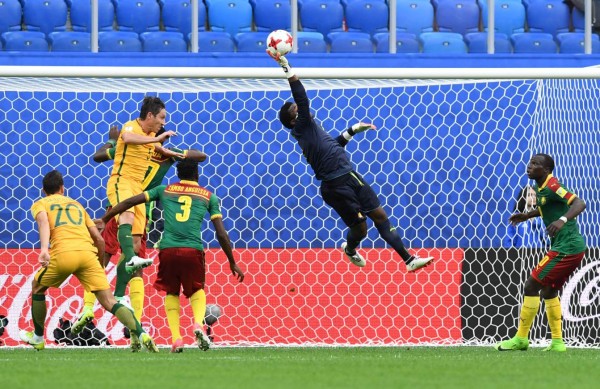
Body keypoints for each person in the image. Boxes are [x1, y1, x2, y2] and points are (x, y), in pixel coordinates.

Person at [267, 49, 433, 272]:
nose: (303, 109)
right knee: (361, 229)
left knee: (380, 215)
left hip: (350, 175)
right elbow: (302, 97)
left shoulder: (312, 130)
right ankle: (350, 249)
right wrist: (286, 66)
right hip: (334, 186)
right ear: (293, 118)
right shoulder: (302, 127)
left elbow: (333, 148)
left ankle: (408, 260)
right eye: (297, 109)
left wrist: (353, 130)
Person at [73, 125, 207, 346]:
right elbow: (201, 156)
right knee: (135, 267)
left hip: (117, 206)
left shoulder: (131, 147)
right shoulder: (166, 156)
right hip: (142, 213)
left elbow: (97, 156)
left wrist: (110, 141)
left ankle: (88, 308)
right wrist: (175, 152)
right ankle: (136, 324)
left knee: (103, 257)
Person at [95, 159, 245, 353]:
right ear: (197, 175)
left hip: (167, 250)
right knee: (197, 289)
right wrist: (232, 262)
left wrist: (106, 218)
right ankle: (198, 325)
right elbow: (221, 233)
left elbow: (130, 201)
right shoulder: (209, 196)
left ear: (178, 175)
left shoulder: (164, 190)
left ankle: (176, 339)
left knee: (171, 292)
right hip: (193, 249)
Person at [19, 170, 158, 352]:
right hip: (88, 254)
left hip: (64, 253)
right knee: (109, 301)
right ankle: (141, 333)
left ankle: (37, 337)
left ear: (44, 191)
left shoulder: (41, 204)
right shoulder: (77, 205)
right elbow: (99, 239)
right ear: (63, 188)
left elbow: (44, 222)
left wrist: (44, 249)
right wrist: (98, 265)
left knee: (37, 286)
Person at [495, 153, 587, 352]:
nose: (529, 166)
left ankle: (520, 339)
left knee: (530, 286)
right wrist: (527, 215)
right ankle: (557, 343)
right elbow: (546, 207)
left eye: (535, 164)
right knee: (548, 290)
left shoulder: (553, 186)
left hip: (567, 248)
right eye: (530, 162)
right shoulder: (539, 186)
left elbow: (580, 203)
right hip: (567, 248)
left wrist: (562, 220)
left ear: (546, 170)